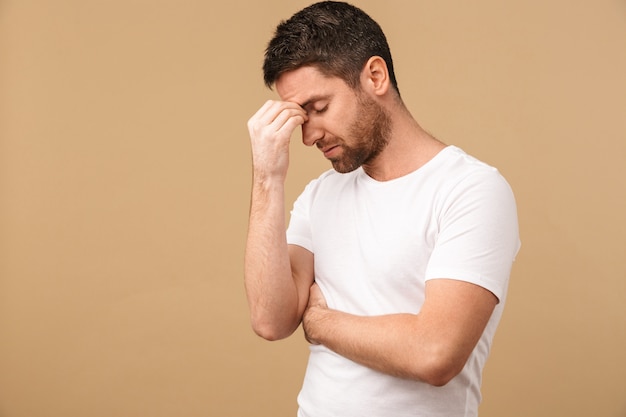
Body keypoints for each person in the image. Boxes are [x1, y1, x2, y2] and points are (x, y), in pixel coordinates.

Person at [244, 2, 520, 416]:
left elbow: (434, 353)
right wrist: (268, 179)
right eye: (300, 118)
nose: (309, 136)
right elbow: (271, 320)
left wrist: (321, 323)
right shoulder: (320, 196)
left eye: (318, 109)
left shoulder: (471, 190)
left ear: (375, 76)